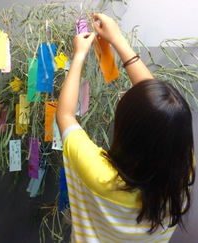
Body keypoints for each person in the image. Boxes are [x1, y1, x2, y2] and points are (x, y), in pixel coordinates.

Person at [56, 13, 195, 242]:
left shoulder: (100, 175)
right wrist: (117, 39)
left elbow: (65, 115)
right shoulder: (182, 172)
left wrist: (79, 55)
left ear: (125, 130)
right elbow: (158, 106)